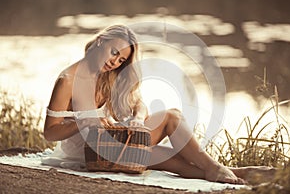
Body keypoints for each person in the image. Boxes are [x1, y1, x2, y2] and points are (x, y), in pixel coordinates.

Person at [43, 24, 273, 184]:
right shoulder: (68, 80)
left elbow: (139, 103)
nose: (114, 62)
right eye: (114, 53)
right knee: (171, 117)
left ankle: (237, 173)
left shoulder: (110, 74)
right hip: (87, 150)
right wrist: (84, 120)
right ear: (101, 41)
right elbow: (50, 132)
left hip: (111, 141)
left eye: (121, 60)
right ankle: (215, 167)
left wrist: (137, 118)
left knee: (168, 159)